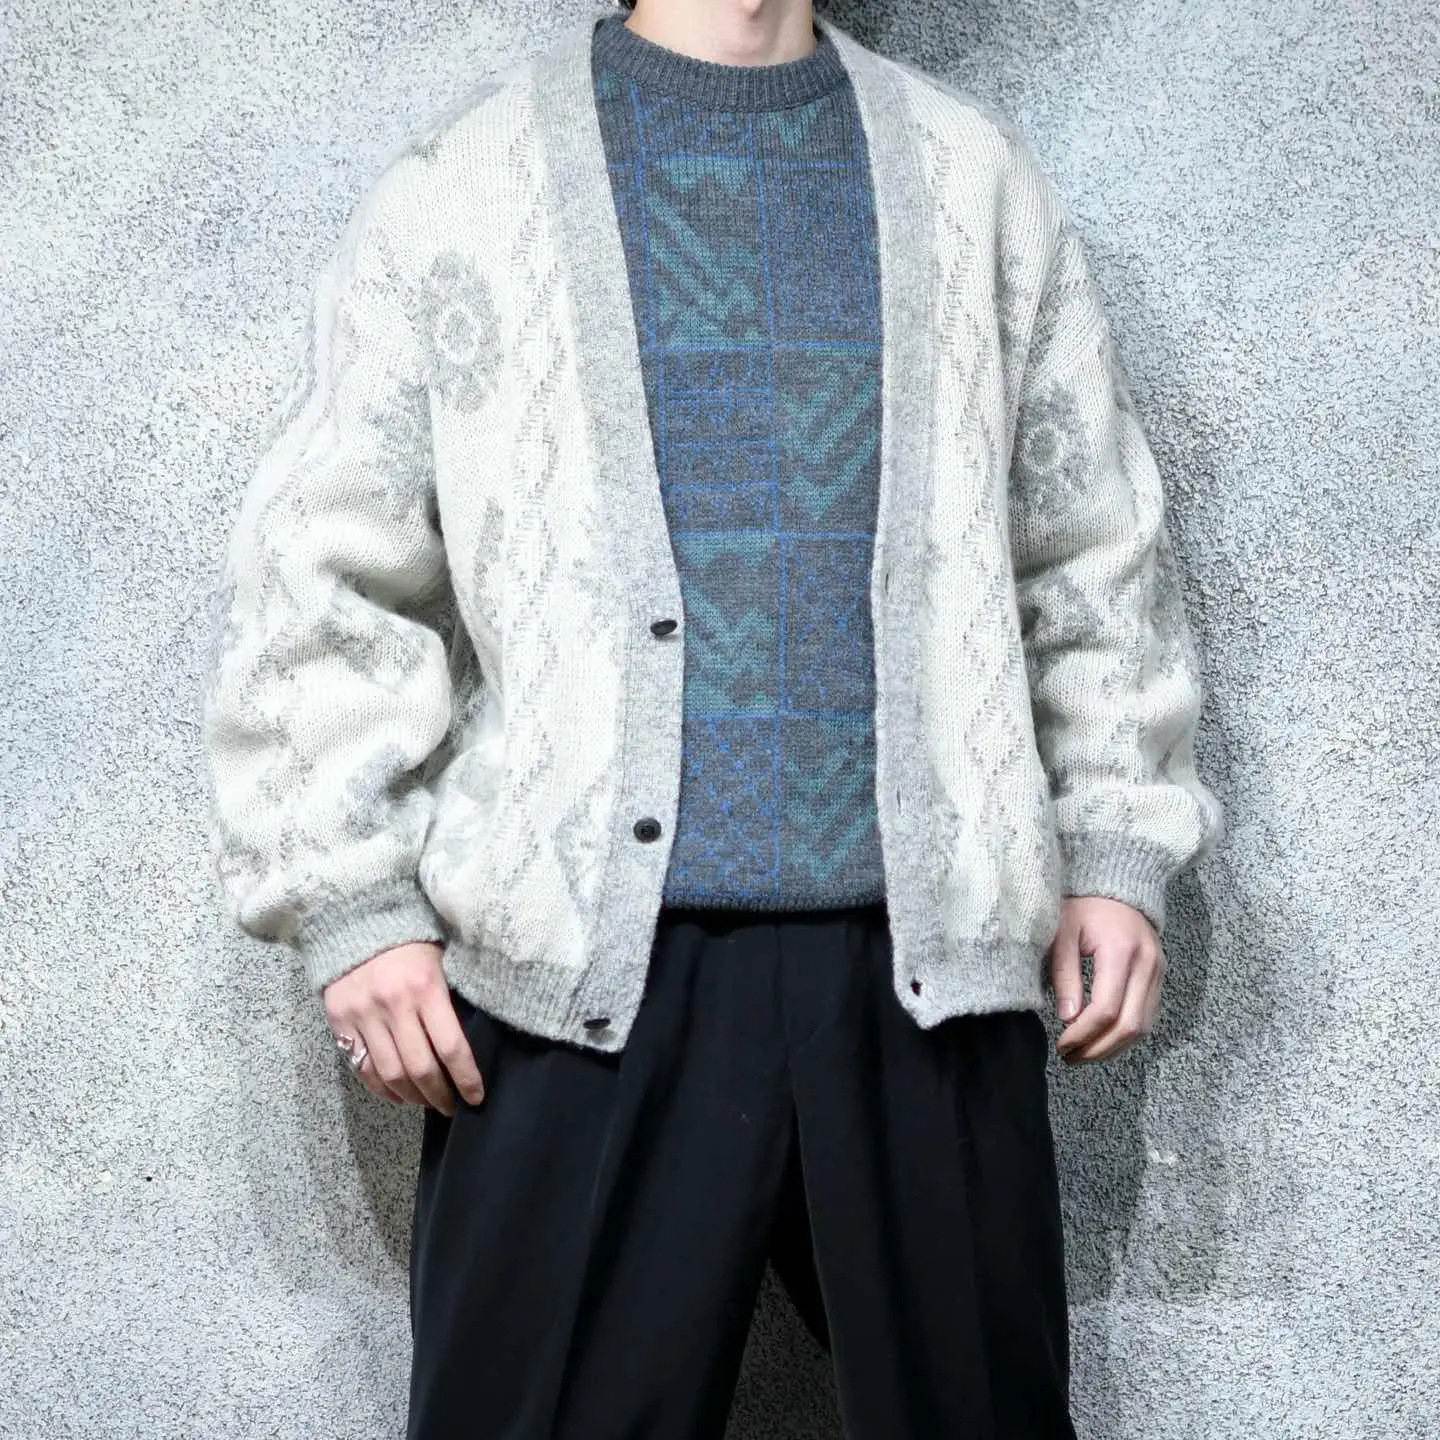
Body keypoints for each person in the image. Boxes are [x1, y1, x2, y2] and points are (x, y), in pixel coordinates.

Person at [200, 1, 1224, 1435]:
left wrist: (1115, 841)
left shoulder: (972, 178)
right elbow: (325, 570)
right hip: (577, 979)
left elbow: (1088, 544)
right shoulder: (462, 185)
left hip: (930, 968)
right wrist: (349, 901)